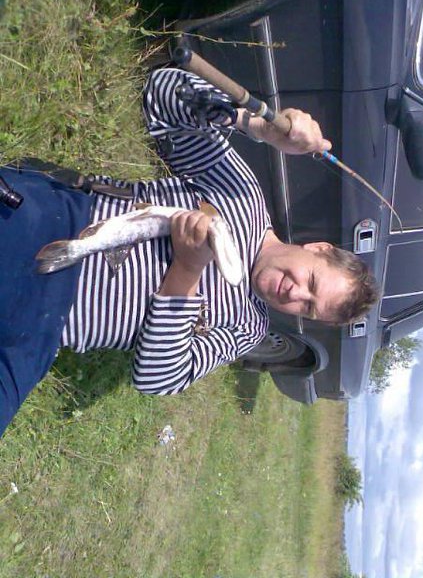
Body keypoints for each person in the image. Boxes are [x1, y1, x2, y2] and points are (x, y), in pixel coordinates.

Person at [0, 67, 378, 437]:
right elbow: (162, 92)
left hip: (46, 330)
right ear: (318, 248)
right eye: (311, 281)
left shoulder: (248, 327)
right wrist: (256, 126)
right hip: (59, 223)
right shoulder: (243, 196)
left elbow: (157, 378)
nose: (294, 293)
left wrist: (186, 272)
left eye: (307, 307)